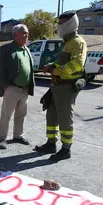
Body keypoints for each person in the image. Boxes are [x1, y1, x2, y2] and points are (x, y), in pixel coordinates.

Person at [35, 11, 87, 162]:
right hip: (56, 85)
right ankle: (51, 143)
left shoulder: (78, 42)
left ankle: (66, 149)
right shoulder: (67, 42)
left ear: (70, 23)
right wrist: (52, 65)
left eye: (61, 23)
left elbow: (77, 65)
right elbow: (62, 62)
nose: (59, 26)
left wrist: (55, 70)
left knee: (65, 119)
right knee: (51, 115)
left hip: (66, 87)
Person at [0, 24, 35, 150]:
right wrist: (6, 87)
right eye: (24, 33)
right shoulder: (6, 49)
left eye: (27, 33)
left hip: (25, 89)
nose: (27, 35)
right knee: (6, 115)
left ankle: (18, 135)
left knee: (21, 115)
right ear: (16, 34)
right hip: (11, 88)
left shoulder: (26, 49)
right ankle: (1, 138)